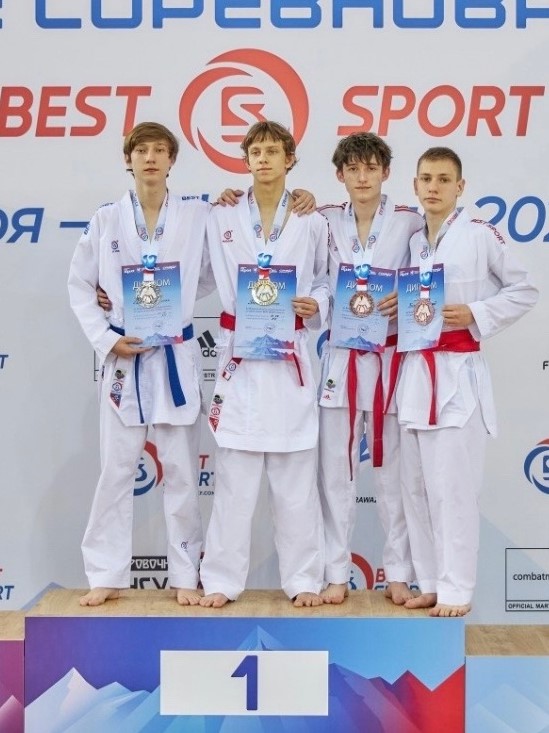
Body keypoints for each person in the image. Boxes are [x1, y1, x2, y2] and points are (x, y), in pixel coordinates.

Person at [68, 122, 214, 607]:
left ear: (172, 160)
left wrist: (178, 304)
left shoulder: (196, 216)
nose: (150, 157)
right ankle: (105, 572)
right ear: (127, 159)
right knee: (115, 471)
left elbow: (212, 273)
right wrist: (108, 338)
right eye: (141, 150)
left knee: (181, 472)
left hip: (174, 355)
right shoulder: (107, 219)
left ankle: (185, 575)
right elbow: (79, 286)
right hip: (124, 359)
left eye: (159, 150)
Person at [395, 146, 538, 617]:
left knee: (453, 489)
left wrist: (475, 312)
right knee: (416, 487)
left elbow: (524, 289)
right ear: (415, 185)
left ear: (461, 186)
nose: (433, 187)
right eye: (426, 179)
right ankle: (431, 581)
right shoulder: (415, 242)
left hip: (458, 373)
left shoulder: (479, 234)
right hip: (416, 371)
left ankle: (457, 588)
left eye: (443, 179)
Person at [199, 121, 330, 608]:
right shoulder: (222, 214)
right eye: (256, 151)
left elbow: (325, 278)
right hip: (241, 360)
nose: (264, 159)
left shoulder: (311, 218)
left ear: (289, 159)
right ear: (246, 159)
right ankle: (220, 579)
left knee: (296, 485)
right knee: (233, 484)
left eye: (273, 151)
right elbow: (197, 274)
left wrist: (317, 303)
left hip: (289, 358)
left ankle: (304, 579)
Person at [317, 133, 423, 604]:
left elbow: (433, 278)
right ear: (340, 175)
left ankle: (397, 572)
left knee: (392, 475)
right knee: (335, 474)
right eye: (353, 169)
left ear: (386, 172)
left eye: (371, 168)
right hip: (341, 358)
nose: (362, 177)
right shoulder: (320, 220)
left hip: (388, 360)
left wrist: (409, 297)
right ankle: (335, 573)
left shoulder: (410, 222)